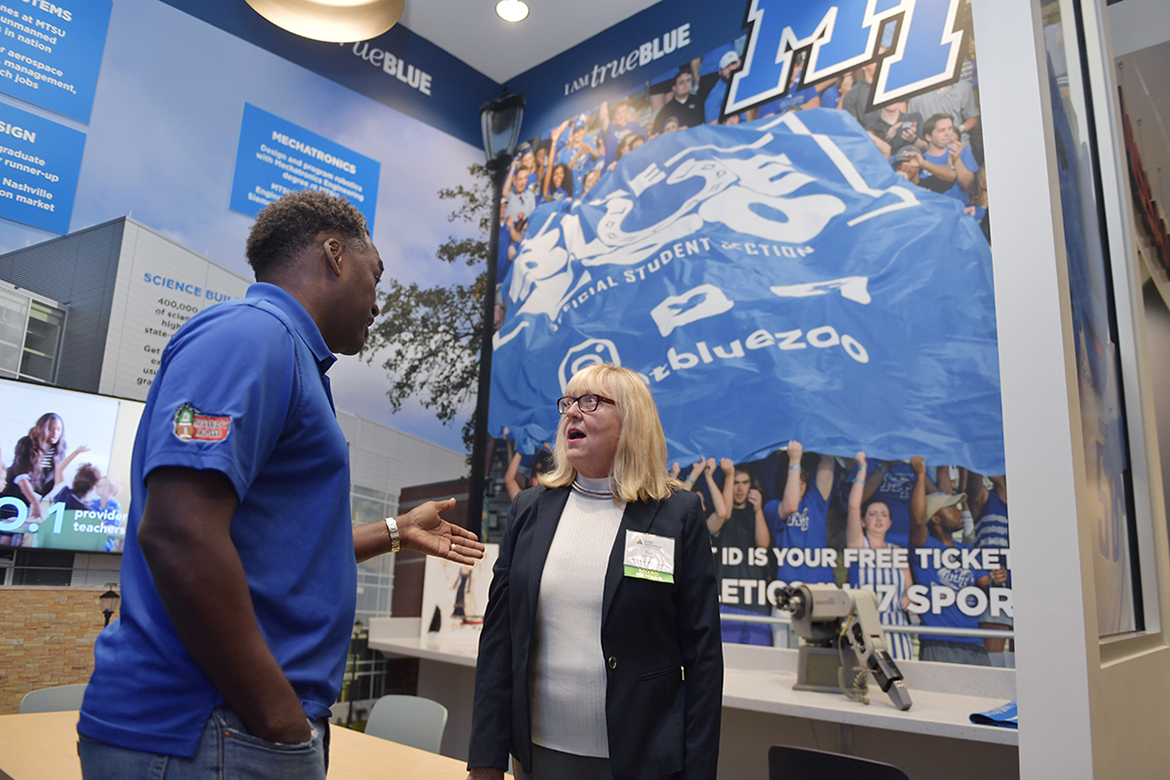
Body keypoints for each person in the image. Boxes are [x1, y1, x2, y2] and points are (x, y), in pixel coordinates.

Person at [77, 191, 485, 779]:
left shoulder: (290, 357)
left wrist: (396, 531)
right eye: (377, 275)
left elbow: (279, 559)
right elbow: (178, 533)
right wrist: (280, 719)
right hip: (209, 728)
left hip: (228, 728)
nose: (379, 300)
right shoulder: (252, 336)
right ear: (335, 254)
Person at [467, 364, 722, 780]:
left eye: (590, 402)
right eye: (567, 403)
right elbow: (498, 641)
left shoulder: (676, 513)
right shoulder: (529, 509)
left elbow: (704, 656)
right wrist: (485, 759)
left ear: (631, 422)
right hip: (539, 755)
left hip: (643, 758)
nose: (571, 413)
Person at [908, 458, 1002, 665]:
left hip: (974, 642)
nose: (959, 512)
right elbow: (916, 520)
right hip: (938, 641)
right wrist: (921, 476)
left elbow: (986, 584)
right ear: (935, 519)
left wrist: (997, 579)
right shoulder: (925, 547)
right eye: (951, 510)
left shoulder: (969, 552)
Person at [845, 452, 914, 660]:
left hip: (897, 627)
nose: (878, 518)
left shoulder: (898, 551)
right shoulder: (859, 545)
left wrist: (910, 596)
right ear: (864, 521)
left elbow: (909, 587)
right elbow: (853, 506)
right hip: (866, 625)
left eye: (884, 515)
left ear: (890, 523)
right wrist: (863, 468)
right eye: (873, 514)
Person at [711, 458, 773, 646]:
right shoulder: (720, 515)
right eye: (736, 483)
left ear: (751, 486)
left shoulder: (758, 513)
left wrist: (758, 510)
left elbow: (763, 546)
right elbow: (723, 515)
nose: (740, 489)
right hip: (726, 602)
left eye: (744, 483)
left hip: (755, 603)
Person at [0, 412, 77, 520]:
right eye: (51, 429)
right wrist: (35, 503)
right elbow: (21, 476)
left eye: (58, 430)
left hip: (29, 501)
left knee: (19, 532)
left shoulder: (61, 448)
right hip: (12, 494)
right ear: (42, 428)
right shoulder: (26, 443)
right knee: (7, 532)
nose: (55, 433)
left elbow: (56, 478)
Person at [651, 69, 704, 135]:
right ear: (674, 87)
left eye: (688, 80)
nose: (685, 84)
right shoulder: (666, 110)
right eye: (681, 82)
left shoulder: (698, 101)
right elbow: (656, 134)